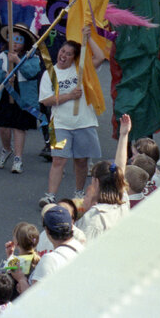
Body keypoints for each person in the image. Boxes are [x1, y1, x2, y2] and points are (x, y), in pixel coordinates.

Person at [37, 31, 106, 207]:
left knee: (81, 160)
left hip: (84, 122)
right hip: (59, 124)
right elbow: (45, 100)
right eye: (62, 52)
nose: (64, 56)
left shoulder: (82, 70)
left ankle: (79, 192)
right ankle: (50, 195)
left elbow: (100, 56)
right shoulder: (49, 73)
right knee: (58, 159)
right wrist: (69, 96)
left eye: (69, 54)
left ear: (74, 57)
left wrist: (88, 37)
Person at [0, 25, 42, 175]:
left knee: (19, 127)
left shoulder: (32, 57)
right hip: (6, 95)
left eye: (19, 40)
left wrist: (18, 61)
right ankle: (7, 149)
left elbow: (32, 73)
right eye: (12, 40)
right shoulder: (1, 57)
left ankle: (18, 158)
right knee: (4, 127)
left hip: (22, 96)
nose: (15, 43)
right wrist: (4, 76)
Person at [74, 114, 131, 241]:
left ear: (96, 182)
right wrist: (124, 135)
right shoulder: (122, 202)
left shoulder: (95, 217)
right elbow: (120, 167)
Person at [11, 205, 83, 293]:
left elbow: (36, 300)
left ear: (47, 231)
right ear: (71, 226)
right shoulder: (82, 249)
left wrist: (21, 279)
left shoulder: (50, 260)